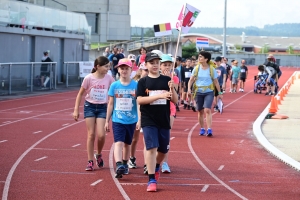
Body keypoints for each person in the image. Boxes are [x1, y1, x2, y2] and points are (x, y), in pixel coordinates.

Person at [136, 52, 178, 192]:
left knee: (163, 150)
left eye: (156, 62)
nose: (155, 65)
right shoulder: (143, 82)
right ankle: (151, 179)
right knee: (151, 147)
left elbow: (175, 101)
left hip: (163, 119)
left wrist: (172, 89)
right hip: (149, 119)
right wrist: (159, 95)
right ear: (146, 65)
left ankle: (157, 166)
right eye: (152, 63)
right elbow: (140, 100)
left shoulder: (167, 80)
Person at [73, 56, 114, 171]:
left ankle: (99, 154)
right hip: (89, 106)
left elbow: (115, 90)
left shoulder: (109, 78)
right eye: (106, 66)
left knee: (101, 135)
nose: (108, 68)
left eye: (109, 66)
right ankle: (90, 161)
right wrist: (76, 109)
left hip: (102, 107)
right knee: (91, 134)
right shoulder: (88, 78)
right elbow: (80, 94)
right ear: (98, 67)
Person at [105, 58, 140, 178]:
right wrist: (106, 120)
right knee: (118, 142)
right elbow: (110, 104)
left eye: (127, 68)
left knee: (127, 144)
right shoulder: (114, 85)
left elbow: (139, 103)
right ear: (118, 70)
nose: (124, 71)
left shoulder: (136, 85)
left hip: (132, 120)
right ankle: (119, 164)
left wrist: (139, 119)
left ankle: (125, 164)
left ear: (131, 70)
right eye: (122, 68)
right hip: (117, 120)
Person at [187, 51, 223, 137]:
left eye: (201, 57)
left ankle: (209, 129)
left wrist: (220, 92)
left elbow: (216, 82)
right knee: (200, 111)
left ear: (206, 59)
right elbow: (191, 80)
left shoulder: (211, 69)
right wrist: (188, 89)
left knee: (207, 109)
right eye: (199, 57)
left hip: (209, 92)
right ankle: (202, 128)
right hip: (198, 92)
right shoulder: (196, 68)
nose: (199, 58)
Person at [159, 54, 179, 173]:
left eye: (169, 65)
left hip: (170, 108)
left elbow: (174, 94)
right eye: (164, 65)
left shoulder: (174, 78)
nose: (167, 67)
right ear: (160, 66)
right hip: (157, 108)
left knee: (166, 136)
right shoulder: (154, 77)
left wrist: (169, 81)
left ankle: (165, 163)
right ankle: (152, 161)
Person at [129, 62, 148, 169]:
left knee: (147, 138)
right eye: (145, 70)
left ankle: (147, 163)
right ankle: (131, 157)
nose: (147, 72)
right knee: (134, 139)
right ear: (140, 70)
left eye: (148, 70)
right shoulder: (135, 83)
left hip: (147, 114)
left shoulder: (151, 82)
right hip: (134, 114)